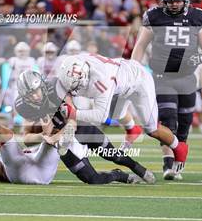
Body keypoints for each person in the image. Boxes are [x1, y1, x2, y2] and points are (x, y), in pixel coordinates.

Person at [131, 0, 202, 180]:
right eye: (170, 1)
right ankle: (167, 164)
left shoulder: (197, 17)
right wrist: (134, 70)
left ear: (185, 1)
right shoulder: (155, 16)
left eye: (177, 1)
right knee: (168, 119)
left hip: (186, 77)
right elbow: (140, 45)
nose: (174, 4)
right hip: (162, 76)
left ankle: (178, 163)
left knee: (184, 125)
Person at [15, 70, 152, 184]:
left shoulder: (56, 88)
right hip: (63, 145)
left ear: (43, 85)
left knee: (113, 155)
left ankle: (138, 168)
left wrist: (56, 136)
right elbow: (26, 138)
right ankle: (119, 175)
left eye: (36, 91)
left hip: (80, 128)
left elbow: (72, 121)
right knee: (93, 179)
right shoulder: (24, 106)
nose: (34, 96)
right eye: (29, 95)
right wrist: (42, 137)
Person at [56, 53, 188, 170]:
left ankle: (179, 148)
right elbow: (66, 84)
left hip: (139, 82)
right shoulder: (77, 63)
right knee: (116, 114)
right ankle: (132, 130)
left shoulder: (102, 81)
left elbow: (100, 116)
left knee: (152, 129)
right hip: (121, 79)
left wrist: (73, 113)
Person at [0, 100, 60, 184]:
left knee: (8, 137)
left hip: (20, 173)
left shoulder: (6, 160)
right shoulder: (6, 161)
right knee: (53, 137)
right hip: (41, 172)